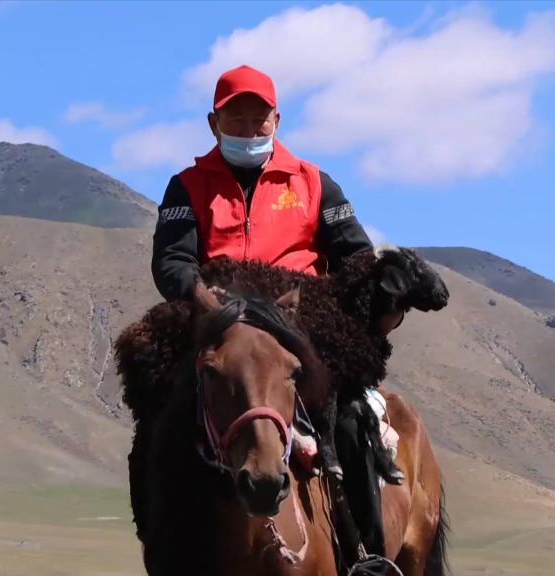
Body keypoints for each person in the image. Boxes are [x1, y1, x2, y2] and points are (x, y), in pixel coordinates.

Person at [150, 64, 401, 555]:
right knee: (161, 418)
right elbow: (172, 260)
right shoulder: (187, 185)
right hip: (222, 323)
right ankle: (163, 546)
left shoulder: (314, 183)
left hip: (298, 326)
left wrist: (352, 297)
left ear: (277, 121)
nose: (249, 131)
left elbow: (355, 257)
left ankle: (367, 557)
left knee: (350, 418)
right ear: (214, 124)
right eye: (236, 120)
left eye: (259, 120)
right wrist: (203, 296)